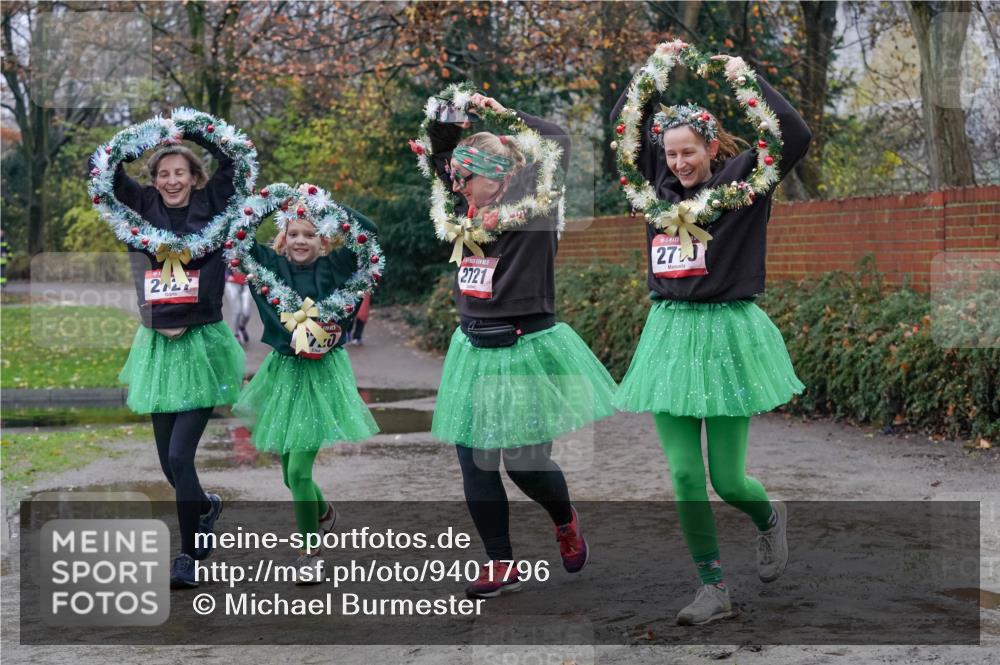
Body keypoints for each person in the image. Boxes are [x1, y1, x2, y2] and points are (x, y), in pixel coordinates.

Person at [611, 42, 813, 625]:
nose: (678, 162)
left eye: (688, 151)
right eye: (670, 153)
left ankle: (768, 516)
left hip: (727, 333)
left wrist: (742, 75)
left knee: (726, 478)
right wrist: (652, 68)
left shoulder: (745, 182)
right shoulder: (653, 187)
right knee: (682, 472)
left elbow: (793, 136)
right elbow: (625, 123)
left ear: (711, 147)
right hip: (669, 334)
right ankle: (712, 587)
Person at [426, 92, 617, 599]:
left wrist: (493, 110)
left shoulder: (536, 206)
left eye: (468, 177)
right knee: (474, 461)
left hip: (526, 347)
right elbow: (442, 158)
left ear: (499, 175)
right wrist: (447, 117)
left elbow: (557, 138)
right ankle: (500, 562)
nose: (458, 185)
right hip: (472, 349)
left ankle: (565, 518)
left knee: (525, 463)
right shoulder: (462, 209)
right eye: (456, 177)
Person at [110, 134, 245, 589]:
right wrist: (139, 140)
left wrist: (192, 132)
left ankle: (187, 555)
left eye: (180, 172)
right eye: (163, 173)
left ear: (194, 177)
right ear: (154, 180)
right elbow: (103, 171)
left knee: (178, 456)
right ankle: (205, 507)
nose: (171, 180)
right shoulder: (142, 205)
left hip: (202, 344)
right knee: (170, 467)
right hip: (156, 345)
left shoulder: (211, 202)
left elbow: (235, 158)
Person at [233, 189, 379, 583]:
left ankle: (309, 553)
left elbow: (370, 233)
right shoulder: (268, 268)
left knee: (298, 472)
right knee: (289, 476)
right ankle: (323, 512)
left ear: (323, 239)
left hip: (323, 374)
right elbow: (238, 234)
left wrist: (322, 202)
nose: (300, 240)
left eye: (310, 233)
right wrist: (273, 198)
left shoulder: (337, 267)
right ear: (282, 238)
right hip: (282, 373)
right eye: (293, 233)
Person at [224, 267, 253, 345]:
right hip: (231, 281)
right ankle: (236, 334)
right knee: (237, 310)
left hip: (247, 282)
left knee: (246, 312)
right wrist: (226, 274)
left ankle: (242, 327)